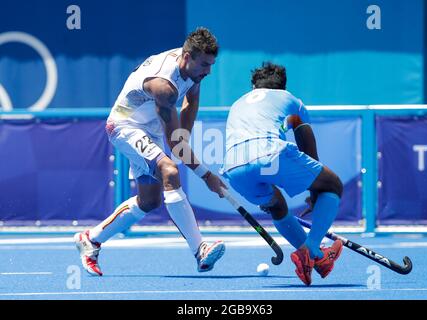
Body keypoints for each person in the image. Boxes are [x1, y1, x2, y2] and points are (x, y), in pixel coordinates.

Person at [74, 27, 227, 276]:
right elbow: (176, 146)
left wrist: (184, 137)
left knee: (150, 200)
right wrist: (206, 175)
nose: (208, 71)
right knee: (170, 171)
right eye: (204, 65)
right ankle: (200, 250)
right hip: (124, 125)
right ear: (187, 57)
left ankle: (91, 239)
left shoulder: (192, 70)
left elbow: (192, 101)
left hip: (150, 128)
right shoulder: (164, 87)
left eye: (211, 65)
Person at [221, 62, 344, 286]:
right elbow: (306, 143)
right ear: (282, 86)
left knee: (277, 205)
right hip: (269, 153)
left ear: (253, 86)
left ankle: (316, 259)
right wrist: (316, 190)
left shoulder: (237, 104)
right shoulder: (291, 100)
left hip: (232, 167)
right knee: (333, 185)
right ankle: (313, 248)